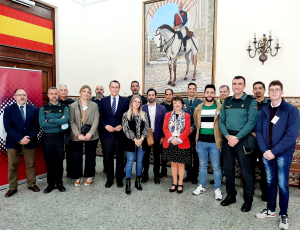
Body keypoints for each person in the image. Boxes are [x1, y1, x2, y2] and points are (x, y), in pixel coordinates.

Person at [255, 80, 300, 230]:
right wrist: (265, 151)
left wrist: (274, 151)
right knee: (270, 182)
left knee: (283, 184)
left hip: (282, 153)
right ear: (268, 93)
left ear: (282, 92)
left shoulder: (292, 110)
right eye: (271, 90)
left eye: (277, 90)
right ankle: (271, 210)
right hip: (267, 153)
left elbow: (291, 135)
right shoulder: (265, 110)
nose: (274, 92)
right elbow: (259, 131)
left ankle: (284, 215)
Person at [219, 76, 257, 212]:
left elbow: (252, 122)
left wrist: (237, 137)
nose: (237, 86)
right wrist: (228, 136)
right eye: (234, 84)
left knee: (246, 172)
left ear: (244, 86)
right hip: (228, 139)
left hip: (243, 139)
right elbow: (221, 121)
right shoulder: (227, 101)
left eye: (240, 84)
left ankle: (248, 200)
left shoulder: (250, 101)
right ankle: (231, 195)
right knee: (228, 169)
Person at [3, 89, 40, 197]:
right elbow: (8, 126)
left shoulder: (34, 109)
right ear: (14, 97)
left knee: (31, 164)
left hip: (30, 141)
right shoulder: (8, 109)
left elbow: (36, 126)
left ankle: (31, 184)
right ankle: (12, 187)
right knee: (12, 166)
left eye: (24, 95)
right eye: (19, 95)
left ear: (27, 96)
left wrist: (27, 138)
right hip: (13, 141)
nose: (22, 97)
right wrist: (20, 138)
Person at [192, 85, 223, 200]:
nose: (209, 94)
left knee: (216, 166)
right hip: (201, 142)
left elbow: (222, 123)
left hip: (215, 142)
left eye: (212, 92)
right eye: (207, 92)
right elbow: (196, 123)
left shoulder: (220, 107)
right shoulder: (199, 108)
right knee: (203, 165)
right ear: (204, 94)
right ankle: (202, 186)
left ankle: (217, 188)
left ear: (214, 94)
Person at [100, 80, 130, 188]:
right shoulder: (103, 101)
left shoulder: (125, 101)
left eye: (116, 87)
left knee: (120, 157)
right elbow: (101, 116)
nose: (114, 89)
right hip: (107, 134)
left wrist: (122, 125)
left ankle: (119, 179)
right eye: (112, 87)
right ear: (109, 88)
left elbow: (127, 116)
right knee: (108, 157)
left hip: (119, 134)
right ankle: (109, 179)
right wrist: (105, 125)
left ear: (119, 88)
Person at [39, 87, 69, 193]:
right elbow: (42, 124)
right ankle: (50, 184)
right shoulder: (43, 108)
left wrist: (49, 120)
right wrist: (58, 122)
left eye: (55, 93)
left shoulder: (64, 108)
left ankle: (59, 183)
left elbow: (65, 120)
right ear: (48, 95)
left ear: (58, 94)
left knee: (59, 162)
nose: (54, 95)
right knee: (49, 162)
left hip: (59, 138)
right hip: (47, 138)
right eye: (51, 94)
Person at [69, 85, 99, 186]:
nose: (86, 93)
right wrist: (78, 134)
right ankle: (77, 177)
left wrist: (90, 133)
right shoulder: (73, 105)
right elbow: (71, 121)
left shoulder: (94, 105)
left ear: (90, 94)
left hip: (91, 135)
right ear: (80, 92)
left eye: (88, 92)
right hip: (77, 135)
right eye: (84, 91)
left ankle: (89, 176)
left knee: (90, 156)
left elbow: (96, 120)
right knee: (76, 156)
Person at [162, 96, 191, 194]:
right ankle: (174, 183)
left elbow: (187, 130)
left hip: (182, 143)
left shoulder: (187, 116)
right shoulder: (168, 115)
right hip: (170, 142)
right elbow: (165, 128)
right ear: (173, 105)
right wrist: (172, 139)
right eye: (175, 103)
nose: (177, 104)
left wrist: (178, 139)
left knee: (181, 164)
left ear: (182, 104)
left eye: (179, 102)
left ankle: (180, 183)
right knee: (173, 163)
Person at [122, 95, 150, 195]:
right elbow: (126, 128)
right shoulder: (126, 115)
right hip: (130, 141)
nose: (137, 103)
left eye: (139, 102)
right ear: (131, 103)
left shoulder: (144, 114)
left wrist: (141, 139)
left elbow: (147, 128)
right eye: (135, 101)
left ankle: (137, 182)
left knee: (139, 161)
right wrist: (135, 139)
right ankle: (128, 183)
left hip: (142, 142)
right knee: (129, 162)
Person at [142, 88, 166, 184]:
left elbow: (164, 124)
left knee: (157, 157)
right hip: (146, 136)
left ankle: (156, 175)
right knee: (145, 157)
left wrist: (163, 136)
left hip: (157, 136)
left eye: (153, 95)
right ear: (147, 96)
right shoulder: (142, 107)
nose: (151, 96)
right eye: (149, 95)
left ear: (156, 96)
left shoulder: (162, 108)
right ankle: (145, 175)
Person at [251, 81, 270, 202]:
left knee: (265, 167)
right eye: (255, 88)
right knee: (249, 166)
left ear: (264, 90)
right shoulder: (250, 103)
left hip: (265, 141)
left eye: (260, 88)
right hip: (251, 139)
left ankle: (265, 193)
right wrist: (252, 132)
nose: (257, 90)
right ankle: (250, 189)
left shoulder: (269, 104)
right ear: (253, 91)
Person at [183, 83, 202, 184]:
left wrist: (192, 127)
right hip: (185, 133)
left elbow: (200, 117)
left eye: (193, 89)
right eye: (190, 88)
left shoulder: (199, 103)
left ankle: (195, 176)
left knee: (196, 154)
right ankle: (188, 174)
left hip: (195, 132)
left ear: (195, 91)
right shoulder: (183, 102)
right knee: (186, 154)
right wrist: (186, 128)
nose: (191, 90)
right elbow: (181, 116)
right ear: (187, 90)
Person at [210, 85, 230, 184]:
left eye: (224, 91)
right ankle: (218, 178)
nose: (222, 93)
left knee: (227, 158)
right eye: (221, 91)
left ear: (229, 93)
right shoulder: (216, 104)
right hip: (218, 135)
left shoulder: (231, 102)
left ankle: (229, 179)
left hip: (228, 134)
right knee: (218, 158)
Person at [58, 84, 75, 178]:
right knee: (60, 152)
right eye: (61, 90)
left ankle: (70, 172)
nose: (63, 92)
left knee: (70, 152)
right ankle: (59, 173)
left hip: (70, 131)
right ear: (58, 92)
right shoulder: (55, 102)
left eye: (65, 90)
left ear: (67, 92)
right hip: (58, 131)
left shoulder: (72, 102)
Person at [159, 88, 174, 178]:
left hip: (174, 134)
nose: (168, 96)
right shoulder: (161, 106)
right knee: (163, 153)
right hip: (164, 133)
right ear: (165, 96)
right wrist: (162, 135)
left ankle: (174, 172)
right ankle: (163, 170)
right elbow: (160, 122)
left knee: (174, 153)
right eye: (167, 94)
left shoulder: (176, 105)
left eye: (170, 94)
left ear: (172, 95)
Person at [90, 85, 105, 172]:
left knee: (106, 149)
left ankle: (106, 168)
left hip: (104, 128)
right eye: (97, 89)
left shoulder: (106, 101)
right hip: (93, 128)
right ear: (95, 91)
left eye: (101, 89)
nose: (99, 91)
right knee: (92, 149)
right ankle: (92, 169)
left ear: (104, 91)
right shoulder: (91, 101)